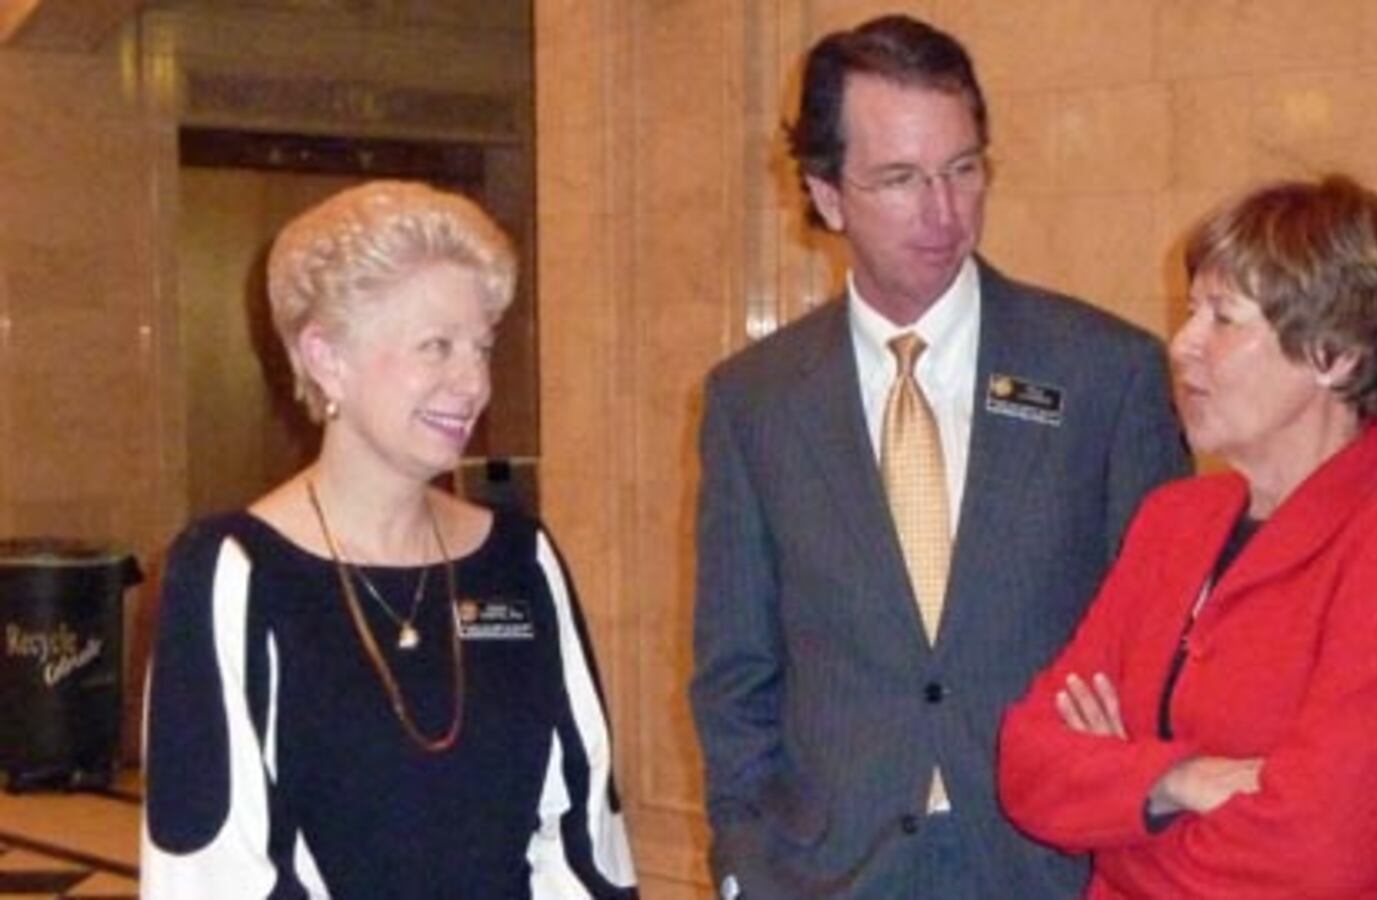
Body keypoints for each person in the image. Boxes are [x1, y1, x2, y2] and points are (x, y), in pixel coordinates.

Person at [689, 14, 1189, 900]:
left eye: (963, 169)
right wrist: (746, 863)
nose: (943, 211)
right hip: (828, 873)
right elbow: (737, 672)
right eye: (900, 179)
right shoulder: (753, 402)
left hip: (1048, 863)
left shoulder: (1106, 374)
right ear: (827, 194)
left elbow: (1173, 650)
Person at [142, 181, 638, 899]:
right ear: (326, 357)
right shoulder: (233, 573)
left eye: (482, 347)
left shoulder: (519, 560)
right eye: (436, 347)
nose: (471, 383)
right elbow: (210, 868)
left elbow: (585, 832)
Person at [997, 175, 1377, 898]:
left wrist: (1117, 824)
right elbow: (1028, 762)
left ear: (1335, 354)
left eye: (1223, 318)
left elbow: (1313, 854)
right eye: (1190, 312)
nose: (1184, 345)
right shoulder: (1174, 520)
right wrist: (1180, 780)